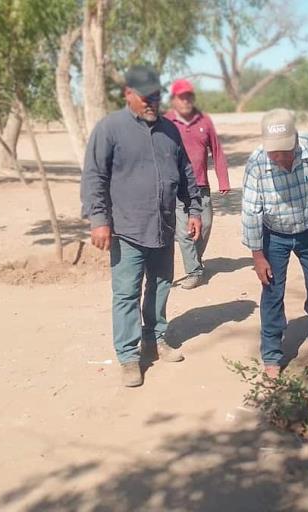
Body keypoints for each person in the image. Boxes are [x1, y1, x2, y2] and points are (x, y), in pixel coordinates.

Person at [81, 65, 203, 388]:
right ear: (128, 95)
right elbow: (94, 177)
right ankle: (128, 356)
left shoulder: (169, 130)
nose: (152, 102)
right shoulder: (110, 129)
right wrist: (98, 220)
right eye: (145, 97)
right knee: (126, 293)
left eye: (156, 96)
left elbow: (185, 172)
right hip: (127, 229)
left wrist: (194, 209)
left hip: (162, 225)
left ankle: (155, 337)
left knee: (161, 285)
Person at [241, 109, 308, 378]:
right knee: (272, 292)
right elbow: (251, 211)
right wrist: (257, 256)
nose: (277, 157)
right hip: (273, 235)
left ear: (296, 139)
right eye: (272, 152)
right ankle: (272, 355)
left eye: (283, 151)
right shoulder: (256, 164)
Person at [164, 79, 230, 290]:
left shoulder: (205, 121)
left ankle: (195, 260)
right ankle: (194, 271)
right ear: (174, 100)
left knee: (206, 225)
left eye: (189, 96)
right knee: (185, 231)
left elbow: (217, 151)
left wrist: (224, 180)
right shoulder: (166, 122)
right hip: (178, 188)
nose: (186, 101)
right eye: (181, 97)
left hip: (201, 185)